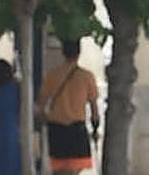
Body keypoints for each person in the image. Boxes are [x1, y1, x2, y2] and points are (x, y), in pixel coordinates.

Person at [35, 39, 100, 175]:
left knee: (59, 170)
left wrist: (44, 118)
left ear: (63, 53)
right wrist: (95, 127)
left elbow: (40, 104)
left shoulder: (52, 75)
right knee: (75, 169)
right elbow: (94, 107)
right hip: (77, 129)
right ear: (79, 53)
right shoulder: (87, 76)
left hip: (56, 129)